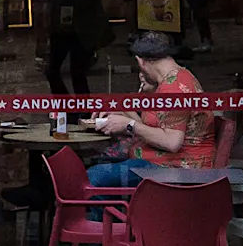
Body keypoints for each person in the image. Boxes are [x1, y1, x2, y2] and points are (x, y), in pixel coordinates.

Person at [87, 30, 216, 188]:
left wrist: (129, 124)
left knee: (93, 177)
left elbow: (172, 142)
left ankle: (113, 213)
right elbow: (156, 129)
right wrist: (122, 116)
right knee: (99, 170)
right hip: (162, 164)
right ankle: (116, 212)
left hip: (176, 170)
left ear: (140, 61)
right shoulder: (175, 79)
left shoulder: (174, 88)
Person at [43, 0, 100, 95]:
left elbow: (82, 0)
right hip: (61, 30)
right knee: (52, 70)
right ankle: (68, 108)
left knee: (77, 73)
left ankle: (81, 110)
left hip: (77, 31)